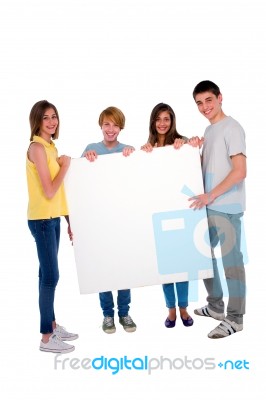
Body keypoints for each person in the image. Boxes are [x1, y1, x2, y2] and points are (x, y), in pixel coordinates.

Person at [188, 80, 246, 339]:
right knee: (202, 258)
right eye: (199, 103)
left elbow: (240, 172)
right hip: (207, 206)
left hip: (227, 207)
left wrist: (211, 195)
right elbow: (206, 166)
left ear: (220, 98)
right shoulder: (209, 131)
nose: (204, 107)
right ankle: (215, 306)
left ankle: (235, 319)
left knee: (231, 264)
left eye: (208, 100)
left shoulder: (232, 128)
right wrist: (192, 151)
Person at [27, 100, 78, 353]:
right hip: (42, 220)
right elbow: (49, 191)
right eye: (45, 117)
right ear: (37, 121)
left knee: (45, 275)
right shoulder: (37, 147)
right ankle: (47, 338)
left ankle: (52, 325)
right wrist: (66, 166)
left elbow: (61, 193)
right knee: (50, 277)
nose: (51, 121)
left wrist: (69, 220)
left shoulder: (50, 146)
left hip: (53, 218)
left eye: (54, 116)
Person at [81, 106, 137, 334]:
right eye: (106, 124)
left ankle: (124, 313)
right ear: (100, 126)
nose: (110, 129)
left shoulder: (128, 150)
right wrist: (86, 160)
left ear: (120, 127)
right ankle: (107, 315)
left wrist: (134, 158)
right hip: (99, 221)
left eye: (115, 124)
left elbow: (137, 182)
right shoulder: (91, 149)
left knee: (123, 268)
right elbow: (80, 183)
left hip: (123, 220)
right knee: (103, 269)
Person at [141, 103, 194, 328]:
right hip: (158, 213)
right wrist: (142, 156)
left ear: (172, 121)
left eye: (167, 119)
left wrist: (188, 146)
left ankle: (183, 307)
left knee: (181, 265)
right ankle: (171, 309)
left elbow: (193, 168)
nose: (163, 123)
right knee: (165, 267)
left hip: (180, 212)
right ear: (153, 122)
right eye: (158, 119)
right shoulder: (148, 147)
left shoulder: (180, 143)